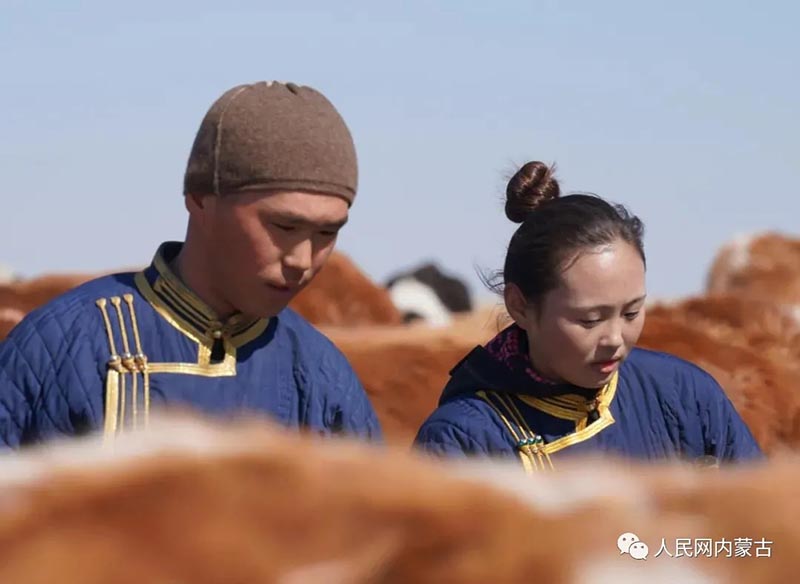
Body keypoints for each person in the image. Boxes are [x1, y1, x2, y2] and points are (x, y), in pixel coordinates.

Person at [0, 81, 382, 447]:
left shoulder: (322, 375)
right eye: (283, 225)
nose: (302, 260)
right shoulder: (59, 347)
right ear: (200, 199)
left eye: (327, 233)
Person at [414, 161, 762, 471]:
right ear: (520, 306)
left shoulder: (684, 395)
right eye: (590, 320)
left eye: (631, 312)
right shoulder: (463, 441)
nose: (614, 339)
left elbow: (765, 529)